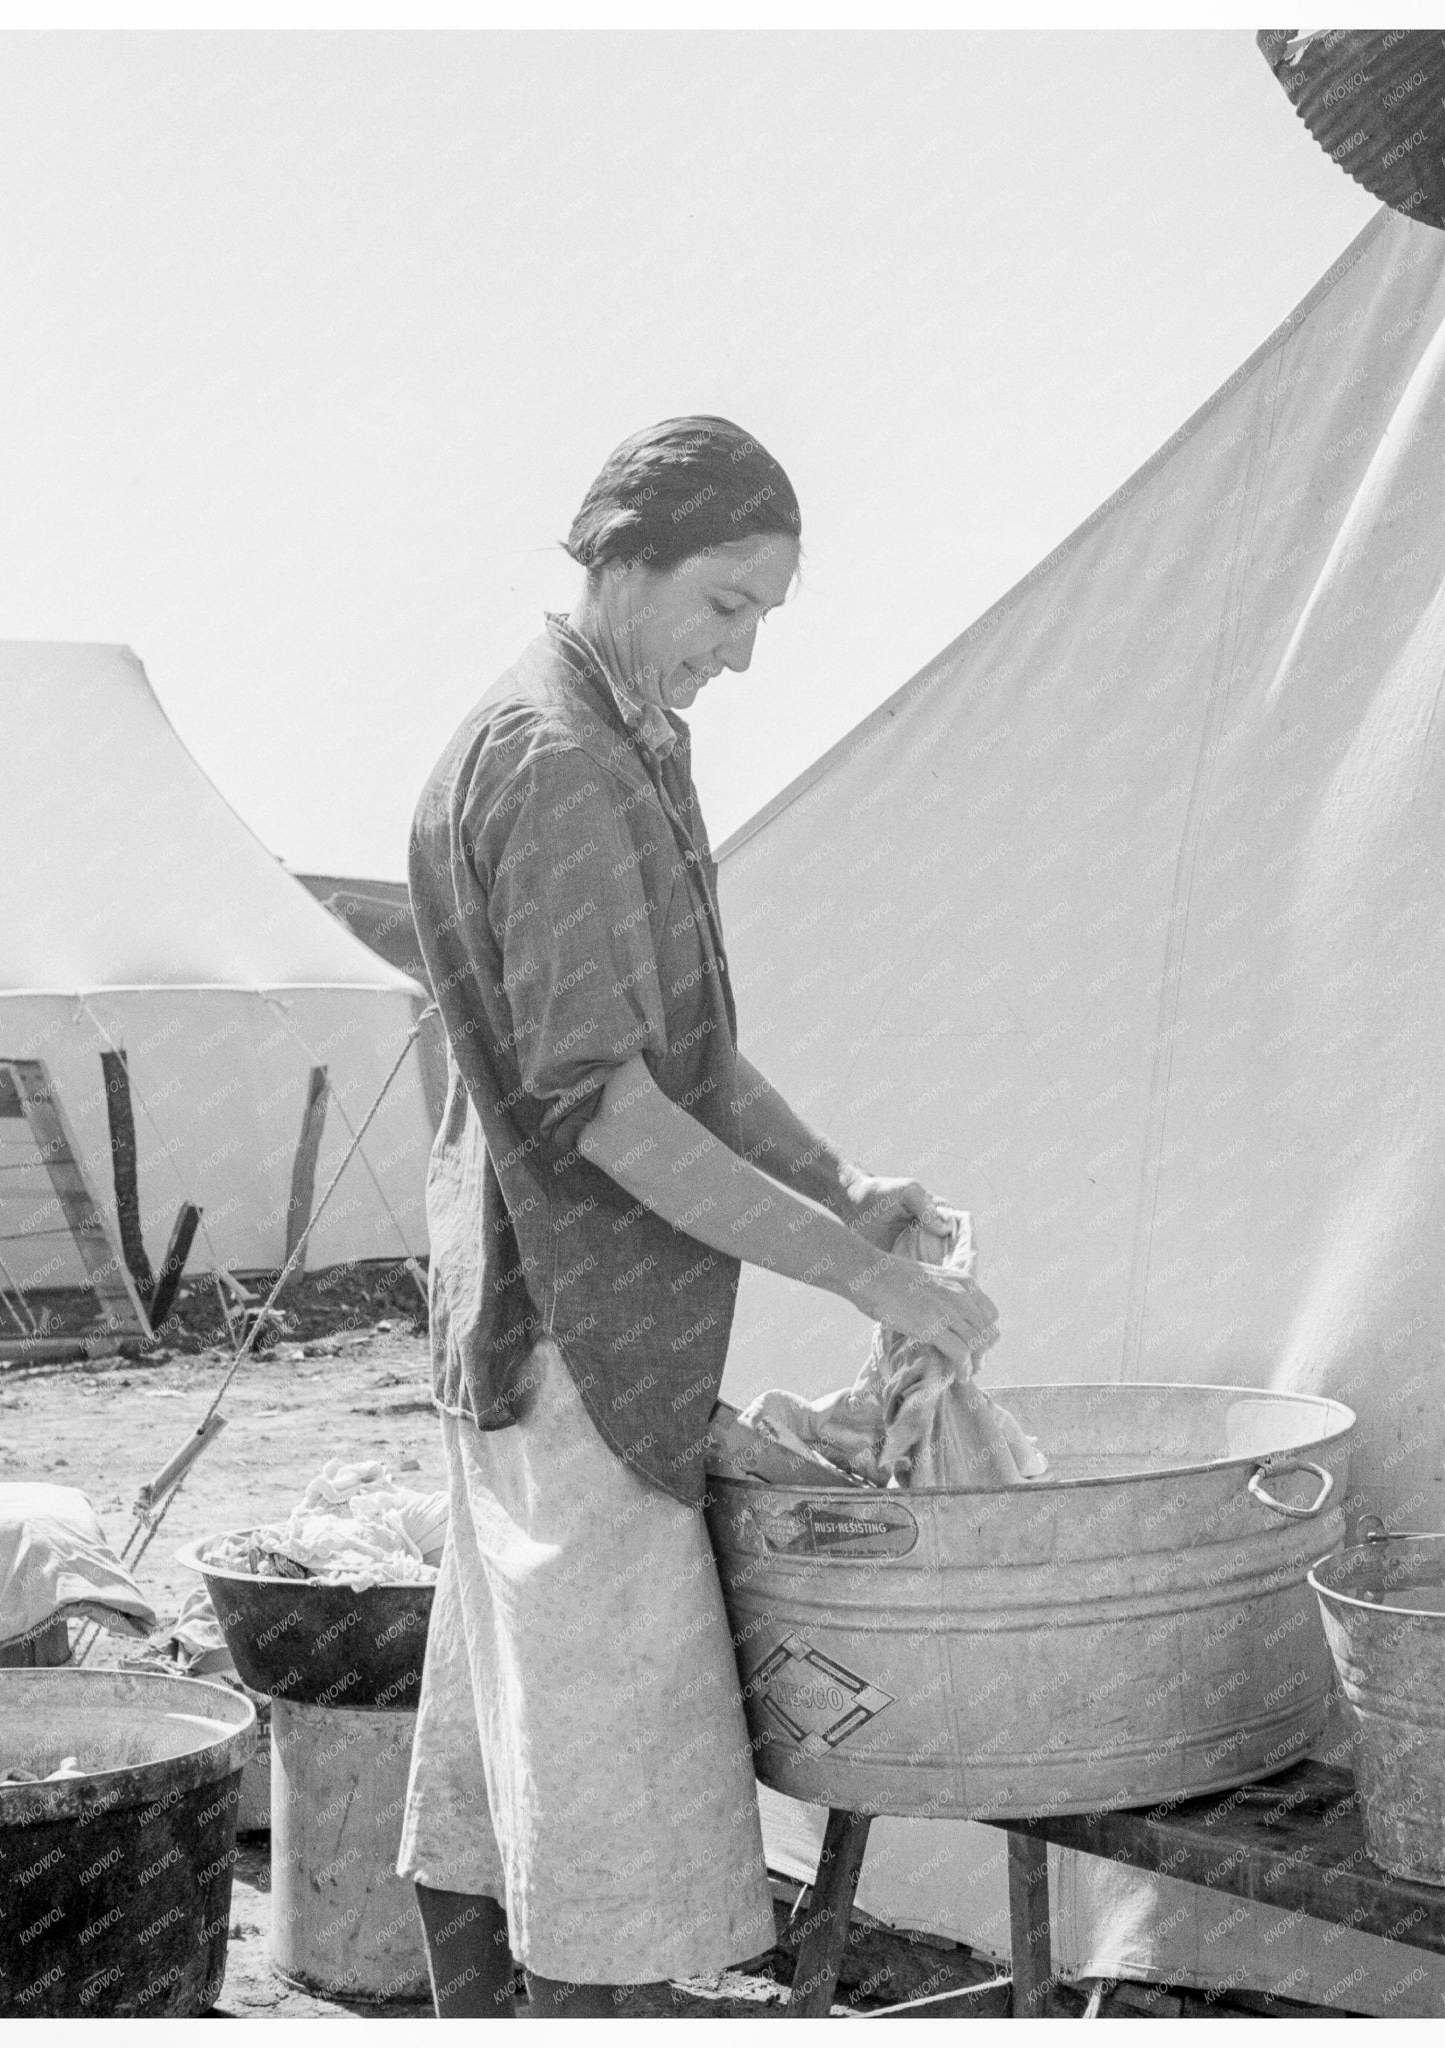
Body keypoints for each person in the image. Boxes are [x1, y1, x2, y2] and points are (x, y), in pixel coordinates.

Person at [396, 416, 1000, 2018]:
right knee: (612, 1817)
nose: (739, 656)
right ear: (622, 558)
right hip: (573, 1330)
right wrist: (873, 1278)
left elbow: (691, 1054)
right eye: (723, 607)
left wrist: (841, 1186)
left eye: (762, 621)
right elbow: (610, 1115)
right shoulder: (561, 764)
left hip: (541, 1315)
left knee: (504, 1755)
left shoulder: (622, 734)